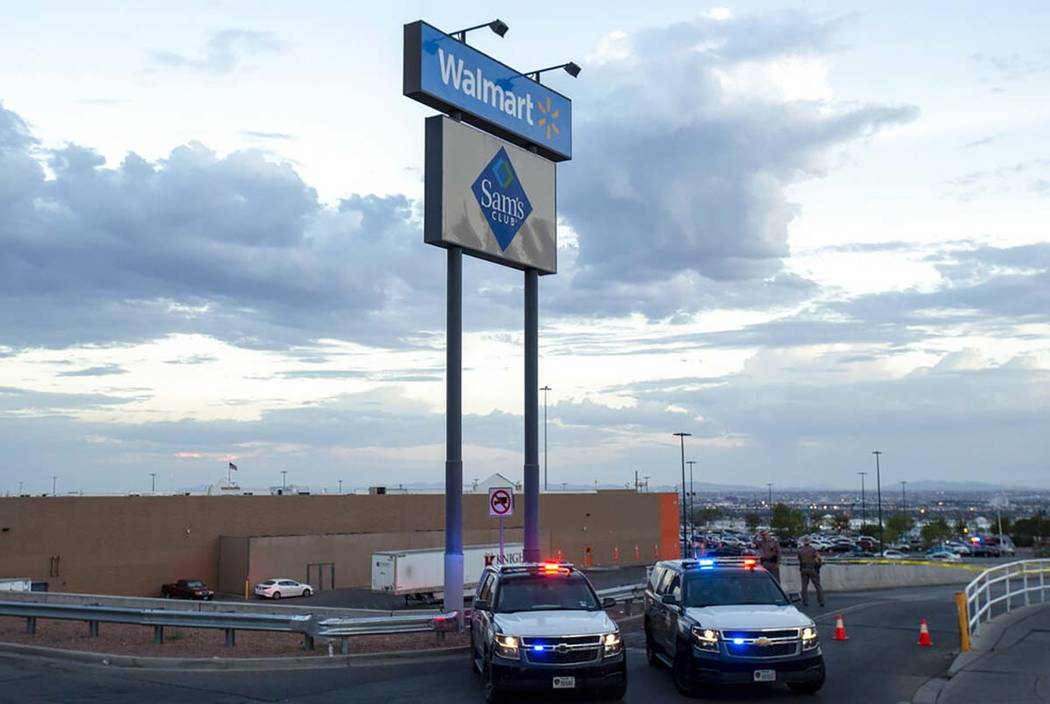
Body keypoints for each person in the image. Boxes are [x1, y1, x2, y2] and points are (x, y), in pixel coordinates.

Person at [798, 536, 825, 607]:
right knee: (817, 586)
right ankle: (821, 601)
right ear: (809, 541)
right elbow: (819, 558)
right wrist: (818, 566)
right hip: (812, 569)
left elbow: (799, 560)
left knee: (804, 586)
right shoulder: (813, 550)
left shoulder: (800, 550)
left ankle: (805, 601)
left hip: (803, 569)